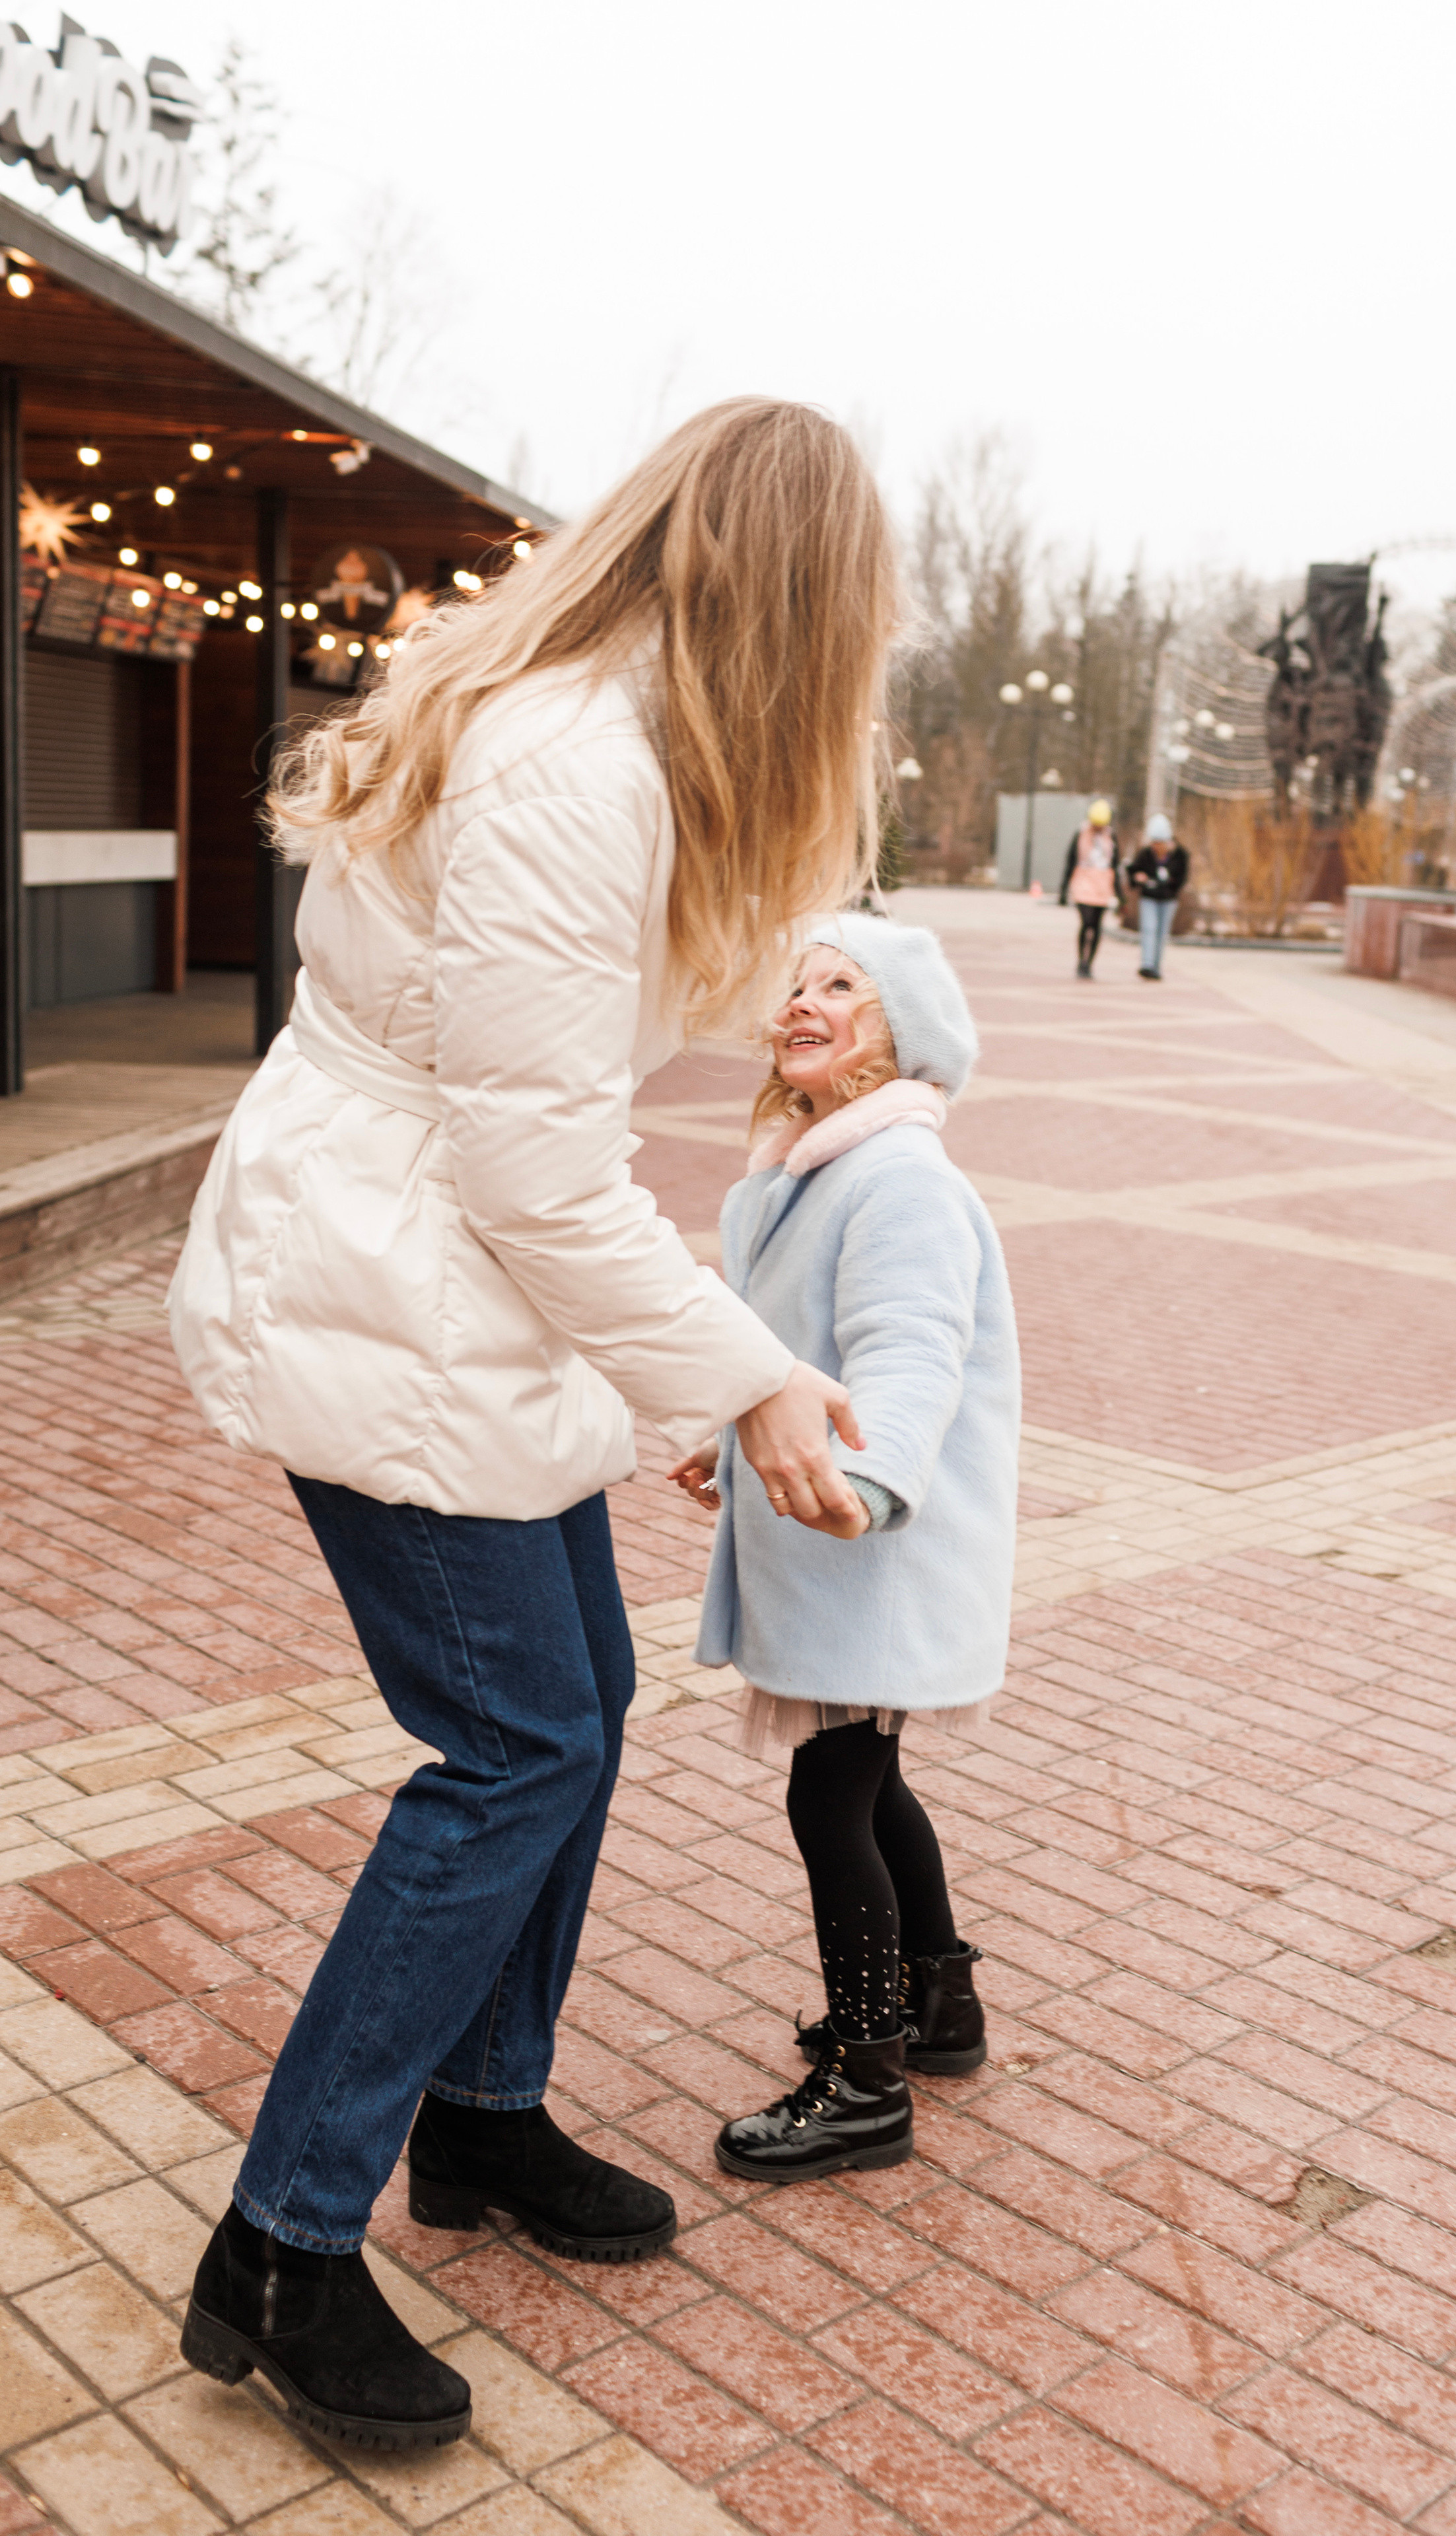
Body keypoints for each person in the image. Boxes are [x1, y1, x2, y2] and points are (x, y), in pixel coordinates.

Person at [166, 400, 900, 2449]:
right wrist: (737, 1374)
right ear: (800, 604)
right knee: (517, 1739)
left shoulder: (596, 719)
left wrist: (673, 1359)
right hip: (389, 1283)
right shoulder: (580, 767)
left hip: (448, 1286)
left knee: (571, 1701)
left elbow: (533, 1154)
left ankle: (480, 2119)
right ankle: (285, 2239)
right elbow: (532, 1175)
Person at [670, 915, 1019, 2181]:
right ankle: (942, 2006)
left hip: (874, 1541)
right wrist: (738, 1430)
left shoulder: (900, 1179)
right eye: (799, 985)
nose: (803, 1002)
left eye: (843, 987)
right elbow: (792, 1341)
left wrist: (863, 1481)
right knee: (872, 1782)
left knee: (834, 1793)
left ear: (900, 1036)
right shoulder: (813, 1169)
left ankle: (867, 2076)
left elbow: (909, 1350)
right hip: (839, 1534)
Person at [1058, 799, 1120, 977]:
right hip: (1083, 882)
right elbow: (1070, 862)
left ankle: (1090, 963)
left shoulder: (1111, 837)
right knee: (1086, 923)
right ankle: (1081, 961)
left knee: (1097, 925)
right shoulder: (1081, 834)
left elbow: (1115, 866)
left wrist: (1120, 894)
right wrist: (1064, 889)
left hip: (1103, 885)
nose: (1098, 828)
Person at [1126, 812, 1189, 979]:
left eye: (1159, 843)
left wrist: (1170, 886)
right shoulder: (1146, 854)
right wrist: (1138, 878)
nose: (1156, 847)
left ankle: (1156, 966)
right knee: (1149, 928)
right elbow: (1133, 871)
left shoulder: (1180, 855)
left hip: (1168, 900)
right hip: (1149, 897)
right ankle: (1147, 964)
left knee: (1161, 933)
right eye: (1154, 843)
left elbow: (1182, 878)